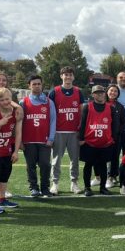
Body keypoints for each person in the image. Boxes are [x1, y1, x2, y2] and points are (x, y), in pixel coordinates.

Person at [49, 66, 86, 195]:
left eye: (70, 75)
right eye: (65, 74)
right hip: (59, 131)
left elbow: (82, 112)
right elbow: (50, 113)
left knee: (74, 159)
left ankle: (74, 183)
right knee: (56, 160)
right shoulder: (54, 91)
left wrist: (81, 131)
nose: (68, 77)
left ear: (73, 77)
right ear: (61, 76)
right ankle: (55, 183)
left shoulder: (78, 92)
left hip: (74, 132)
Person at [0, 70, 23, 198]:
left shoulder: (10, 100)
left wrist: (17, 107)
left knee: (5, 172)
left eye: (4, 80)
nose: (1, 82)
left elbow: (18, 130)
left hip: (7, 142)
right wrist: (0, 123)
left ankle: (1, 196)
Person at [79, 85, 120, 196]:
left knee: (103, 166)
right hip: (89, 142)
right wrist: (81, 138)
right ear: (93, 94)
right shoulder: (87, 107)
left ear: (105, 94)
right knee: (88, 165)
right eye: (97, 93)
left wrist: (113, 139)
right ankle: (87, 188)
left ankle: (103, 188)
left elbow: (115, 125)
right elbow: (82, 124)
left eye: (101, 92)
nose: (100, 94)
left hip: (105, 143)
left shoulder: (111, 108)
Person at [21, 75, 56, 197]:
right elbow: (19, 122)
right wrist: (20, 140)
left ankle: (45, 188)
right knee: (31, 166)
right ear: (29, 86)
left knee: (45, 164)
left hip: (44, 140)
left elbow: (53, 121)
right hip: (28, 141)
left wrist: (51, 138)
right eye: (34, 84)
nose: (36, 86)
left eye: (38, 84)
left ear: (42, 85)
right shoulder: (23, 102)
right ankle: (33, 188)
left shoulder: (49, 102)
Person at [105, 84, 125, 188]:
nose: (113, 93)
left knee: (114, 157)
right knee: (101, 157)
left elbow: (124, 122)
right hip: (102, 136)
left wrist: (118, 132)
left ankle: (112, 176)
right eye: (111, 90)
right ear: (107, 91)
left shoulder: (120, 106)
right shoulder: (101, 104)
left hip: (115, 137)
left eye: (115, 91)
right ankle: (99, 177)